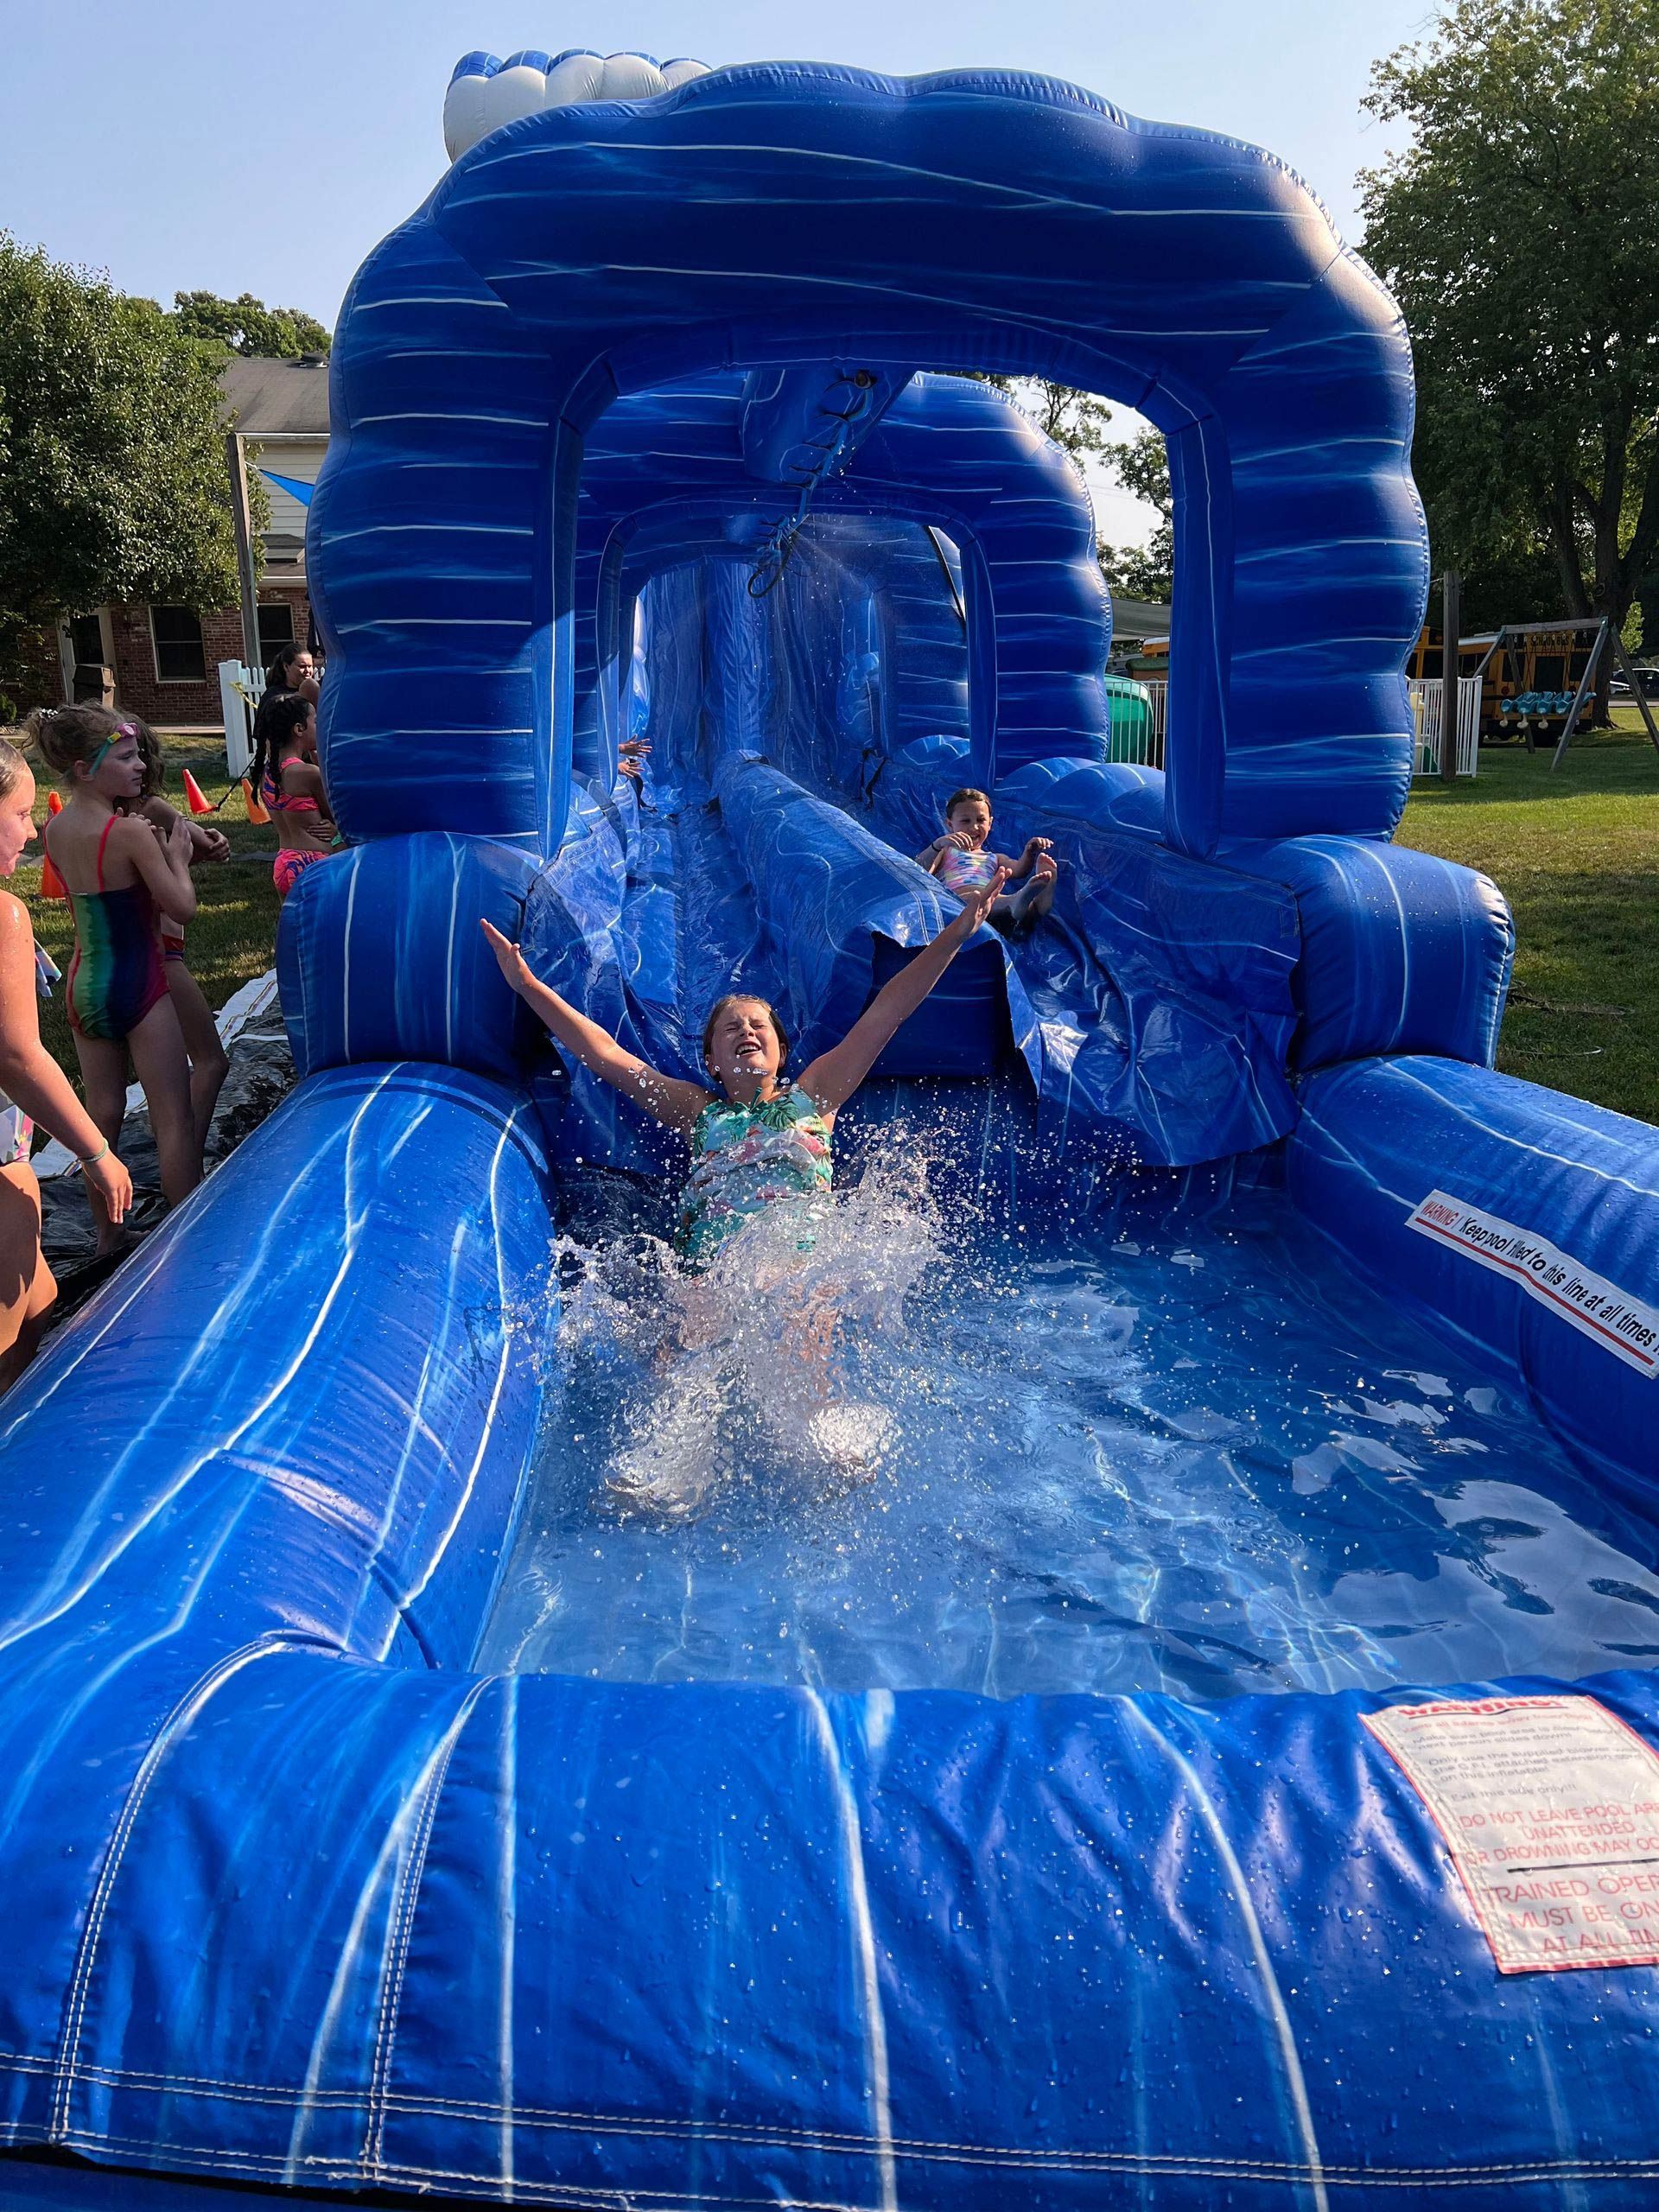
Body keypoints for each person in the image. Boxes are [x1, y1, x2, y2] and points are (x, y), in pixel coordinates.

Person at [480, 865, 1007, 1271]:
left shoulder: (816, 1095)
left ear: (781, 1050)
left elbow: (888, 1010)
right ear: (712, 1061)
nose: (747, 1032)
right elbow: (605, 1055)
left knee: (805, 1330)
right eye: (731, 1029)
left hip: (800, 1270)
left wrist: (955, 936)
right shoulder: (696, 1111)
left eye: (758, 1026)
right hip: (711, 1273)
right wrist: (528, 986)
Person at [31, 705, 198, 1255]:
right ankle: (189, 1237)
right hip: (140, 984)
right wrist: (176, 854)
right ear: (85, 769)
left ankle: (108, 1238)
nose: (138, 767)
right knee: (172, 1117)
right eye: (125, 757)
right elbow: (182, 907)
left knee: (102, 1115)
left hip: (85, 985)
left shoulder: (55, 827)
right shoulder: (128, 832)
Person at [0, 737, 134, 1381]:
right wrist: (98, 1153)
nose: (32, 833)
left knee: (40, 1302)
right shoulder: (3, 915)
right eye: (22, 815)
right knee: (12, 1334)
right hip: (1, 1157)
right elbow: (19, 1057)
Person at [126, 724, 232, 1157]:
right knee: (209, 1060)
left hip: (114, 959)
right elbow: (203, 845)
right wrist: (206, 844)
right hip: (163, 953)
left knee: (117, 1094)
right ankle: (186, 1156)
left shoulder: (92, 825)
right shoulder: (149, 809)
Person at [916, 786, 1058, 931]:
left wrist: (1029, 852)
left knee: (1013, 906)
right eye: (966, 821)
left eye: (980, 820)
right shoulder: (945, 850)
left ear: (989, 824)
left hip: (992, 903)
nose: (974, 827)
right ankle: (1016, 902)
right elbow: (920, 869)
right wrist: (937, 845)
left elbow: (1019, 870)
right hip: (957, 903)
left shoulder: (994, 857)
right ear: (950, 824)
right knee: (977, 897)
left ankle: (1041, 901)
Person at [250, 692, 335, 900]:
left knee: (294, 930)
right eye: (315, 721)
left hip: (284, 862)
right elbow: (336, 817)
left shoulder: (267, 773)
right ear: (299, 729)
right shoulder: (308, 774)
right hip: (315, 862)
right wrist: (335, 828)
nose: (320, 725)